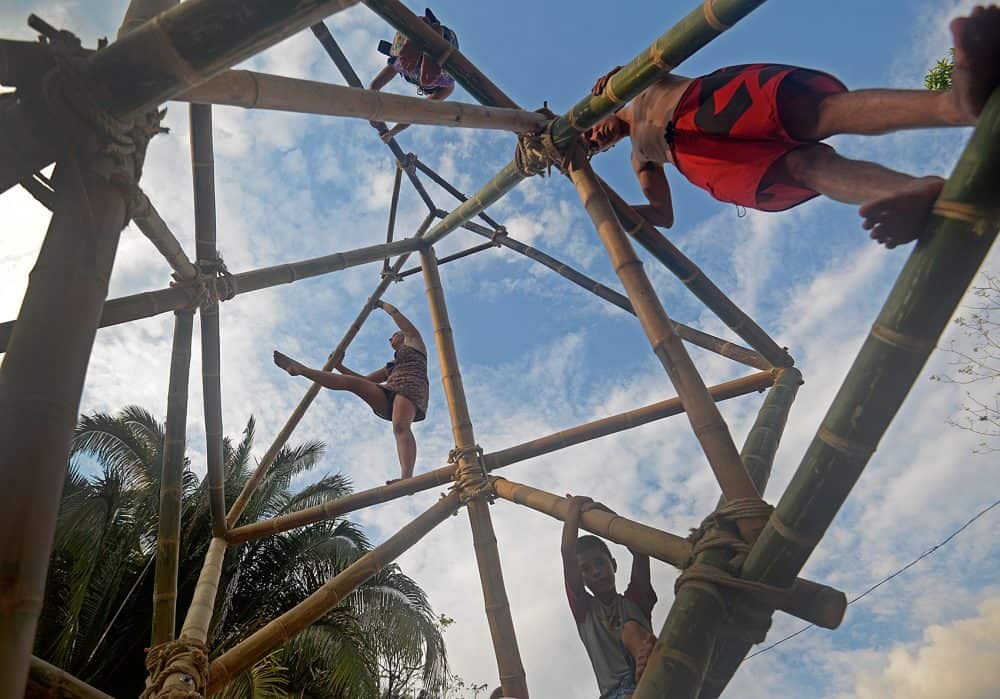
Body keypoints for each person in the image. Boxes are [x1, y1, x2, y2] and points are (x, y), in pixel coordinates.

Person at [583, 5, 1000, 250]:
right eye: (591, 145)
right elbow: (662, 214)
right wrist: (601, 204)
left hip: (705, 101)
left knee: (821, 113)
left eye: (588, 127)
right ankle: (906, 191)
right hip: (706, 160)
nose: (594, 137)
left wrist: (618, 81)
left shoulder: (633, 86)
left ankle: (955, 105)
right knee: (806, 168)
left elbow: (659, 62)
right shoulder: (642, 157)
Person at [273, 300, 429, 482]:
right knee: (351, 383)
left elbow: (396, 314)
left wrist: (381, 304)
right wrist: (339, 365)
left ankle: (406, 477)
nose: (389, 339)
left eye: (392, 336)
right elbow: (363, 381)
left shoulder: (415, 342)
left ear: (401, 335)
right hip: (389, 391)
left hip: (410, 387)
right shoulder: (392, 366)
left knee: (400, 426)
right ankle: (302, 370)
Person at [562, 495, 657, 699]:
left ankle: (646, 675)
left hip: (649, 675)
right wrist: (575, 506)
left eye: (600, 563)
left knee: (632, 629)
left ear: (613, 565)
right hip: (615, 694)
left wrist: (605, 512)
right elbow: (567, 553)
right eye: (585, 569)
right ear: (581, 578)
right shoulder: (584, 610)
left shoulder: (635, 601)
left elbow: (640, 550)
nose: (596, 571)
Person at [368, 7, 459, 141]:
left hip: (428, 46)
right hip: (442, 46)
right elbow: (415, 112)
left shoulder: (444, 86)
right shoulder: (444, 87)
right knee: (406, 65)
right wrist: (388, 129)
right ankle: (428, 36)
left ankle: (423, 33)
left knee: (403, 64)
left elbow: (374, 86)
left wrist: (371, 110)